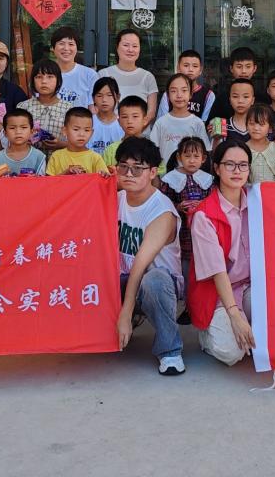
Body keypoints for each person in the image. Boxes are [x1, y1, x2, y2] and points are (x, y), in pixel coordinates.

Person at [114, 137, 186, 375]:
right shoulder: (116, 198)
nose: (129, 174)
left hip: (157, 282)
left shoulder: (162, 211)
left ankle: (170, 350)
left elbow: (140, 264)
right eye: (123, 167)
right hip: (122, 277)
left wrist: (125, 313)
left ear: (153, 172)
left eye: (137, 168)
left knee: (153, 280)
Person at [188, 140, 255, 366]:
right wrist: (234, 316)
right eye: (230, 164)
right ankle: (207, 335)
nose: (237, 171)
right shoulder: (204, 215)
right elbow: (217, 272)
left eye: (243, 165)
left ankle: (246, 322)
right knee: (232, 352)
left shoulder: (258, 203)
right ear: (216, 168)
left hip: (250, 287)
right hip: (216, 293)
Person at [159, 137, 214, 326]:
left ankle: (200, 306)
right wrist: (177, 206)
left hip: (202, 233)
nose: (191, 160)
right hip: (181, 233)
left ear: (203, 159)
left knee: (202, 270)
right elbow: (162, 204)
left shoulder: (208, 180)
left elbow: (214, 202)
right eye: (187, 156)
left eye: (196, 156)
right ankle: (185, 306)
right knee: (183, 270)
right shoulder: (170, 179)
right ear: (179, 157)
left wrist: (203, 206)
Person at [98, 28, 159, 125]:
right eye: (126, 45)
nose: (130, 50)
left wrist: (134, 130)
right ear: (117, 47)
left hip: (141, 132)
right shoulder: (103, 75)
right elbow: (97, 108)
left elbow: (151, 113)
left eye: (135, 46)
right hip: (110, 132)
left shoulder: (148, 77)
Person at [150, 74, 211, 166]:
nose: (179, 95)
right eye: (173, 91)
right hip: (165, 174)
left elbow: (205, 151)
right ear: (168, 95)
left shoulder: (197, 123)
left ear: (190, 94)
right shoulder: (161, 123)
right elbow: (152, 152)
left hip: (191, 174)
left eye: (184, 90)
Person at [17, 59, 71, 156]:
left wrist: (62, 144)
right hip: (29, 161)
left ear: (58, 81)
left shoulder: (69, 109)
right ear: (33, 81)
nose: (44, 81)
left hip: (59, 162)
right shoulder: (23, 107)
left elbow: (78, 141)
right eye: (39, 77)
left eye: (50, 77)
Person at [209, 47, 270, 121]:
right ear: (231, 68)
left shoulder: (262, 97)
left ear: (254, 68)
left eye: (248, 66)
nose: (243, 71)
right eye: (239, 66)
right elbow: (213, 121)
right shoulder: (222, 97)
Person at [46, 108, 111, 175]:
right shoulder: (56, 156)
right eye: (76, 129)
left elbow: (105, 179)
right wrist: (66, 173)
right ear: (65, 131)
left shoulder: (95, 158)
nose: (81, 134)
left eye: (86, 130)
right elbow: (48, 181)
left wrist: (104, 175)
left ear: (92, 133)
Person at [157, 49, 216, 121]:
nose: (190, 69)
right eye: (186, 65)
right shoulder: (168, 94)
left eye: (195, 66)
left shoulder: (208, 95)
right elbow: (161, 122)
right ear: (178, 68)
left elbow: (205, 123)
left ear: (200, 70)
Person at [245, 103, 275, 185]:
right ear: (246, 125)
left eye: (261, 124)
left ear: (270, 128)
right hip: (250, 193)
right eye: (252, 123)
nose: (256, 128)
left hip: (273, 193)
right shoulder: (242, 149)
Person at [51, 28, 99, 109]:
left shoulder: (90, 75)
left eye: (71, 44)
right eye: (61, 43)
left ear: (77, 48)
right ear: (53, 48)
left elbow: (93, 109)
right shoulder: (44, 75)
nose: (66, 48)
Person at [0, 110, 47, 177]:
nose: (18, 132)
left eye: (23, 127)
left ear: (32, 132)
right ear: (5, 133)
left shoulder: (39, 157)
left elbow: (42, 182)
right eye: (12, 128)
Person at [102, 96, 151, 169]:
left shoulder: (151, 149)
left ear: (145, 120)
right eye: (125, 117)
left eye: (135, 116)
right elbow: (104, 173)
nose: (129, 121)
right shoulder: (111, 150)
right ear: (119, 121)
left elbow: (157, 174)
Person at [210, 78, 255, 145]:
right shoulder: (221, 125)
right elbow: (216, 151)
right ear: (230, 100)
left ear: (253, 100)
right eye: (235, 96)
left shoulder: (260, 126)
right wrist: (217, 139)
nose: (240, 101)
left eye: (245, 97)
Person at [88, 77, 123, 155]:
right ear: (93, 98)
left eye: (109, 95)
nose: (104, 100)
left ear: (118, 97)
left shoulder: (123, 124)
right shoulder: (88, 122)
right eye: (99, 96)